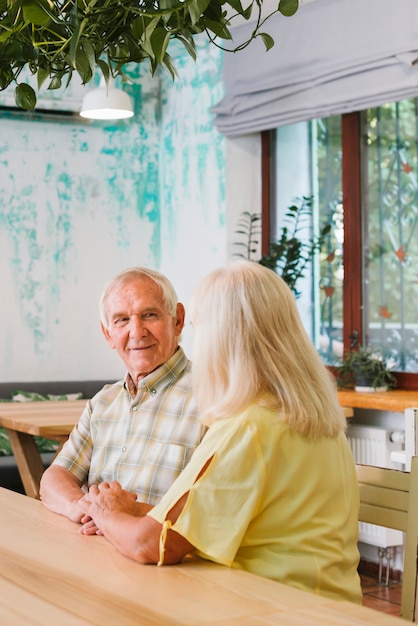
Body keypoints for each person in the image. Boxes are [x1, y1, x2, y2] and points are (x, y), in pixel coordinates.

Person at [79, 260, 362, 604]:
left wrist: (107, 512)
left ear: (223, 338)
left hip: (272, 608)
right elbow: (200, 516)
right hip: (329, 604)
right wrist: (129, 510)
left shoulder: (248, 426)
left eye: (200, 329)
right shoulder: (308, 412)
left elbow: (150, 545)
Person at [40, 266, 207, 523]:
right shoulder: (102, 404)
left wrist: (116, 516)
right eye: (121, 320)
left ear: (177, 320)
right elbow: (55, 478)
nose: (136, 331)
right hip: (92, 550)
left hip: (166, 557)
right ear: (108, 334)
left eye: (149, 315)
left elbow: (218, 511)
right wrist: (83, 508)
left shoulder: (214, 397)